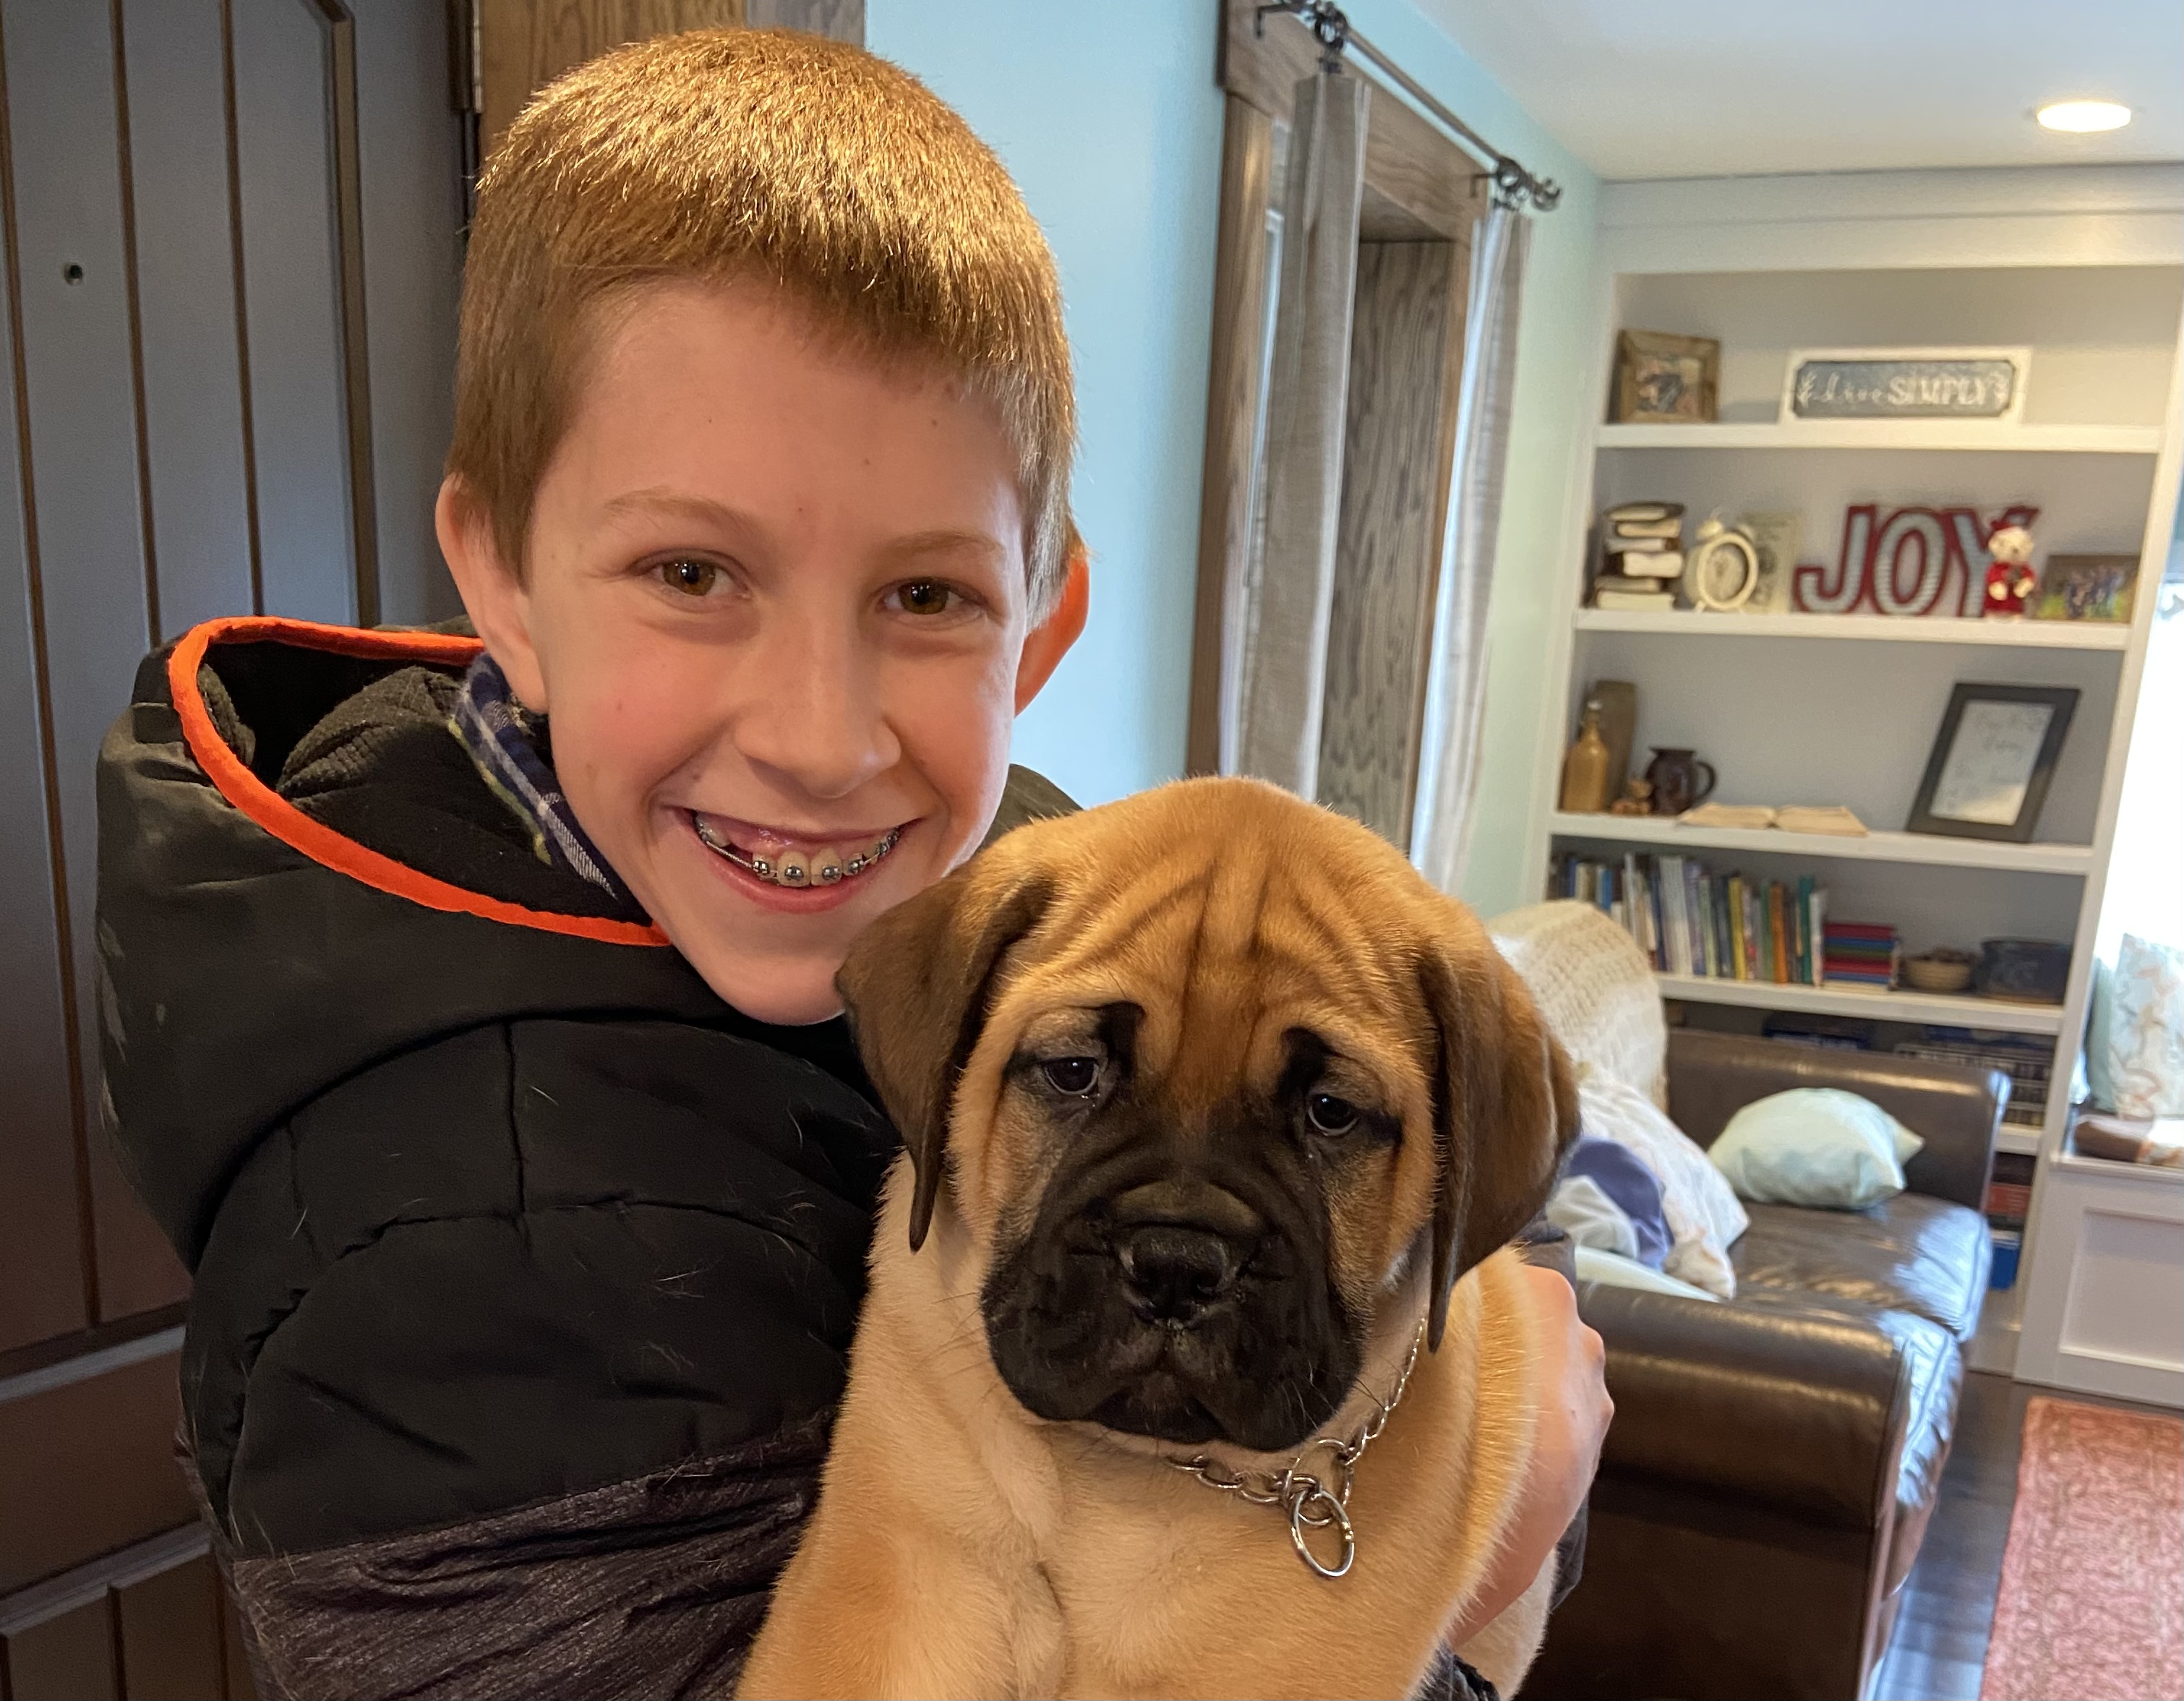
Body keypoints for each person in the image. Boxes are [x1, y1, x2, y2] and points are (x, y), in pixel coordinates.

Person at [96, 29, 1608, 1699]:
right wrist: (1508, 1511)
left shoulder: (1007, 883)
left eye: (926, 595)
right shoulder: (465, 1255)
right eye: (690, 570)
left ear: (1038, 627)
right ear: (503, 578)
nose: (819, 740)